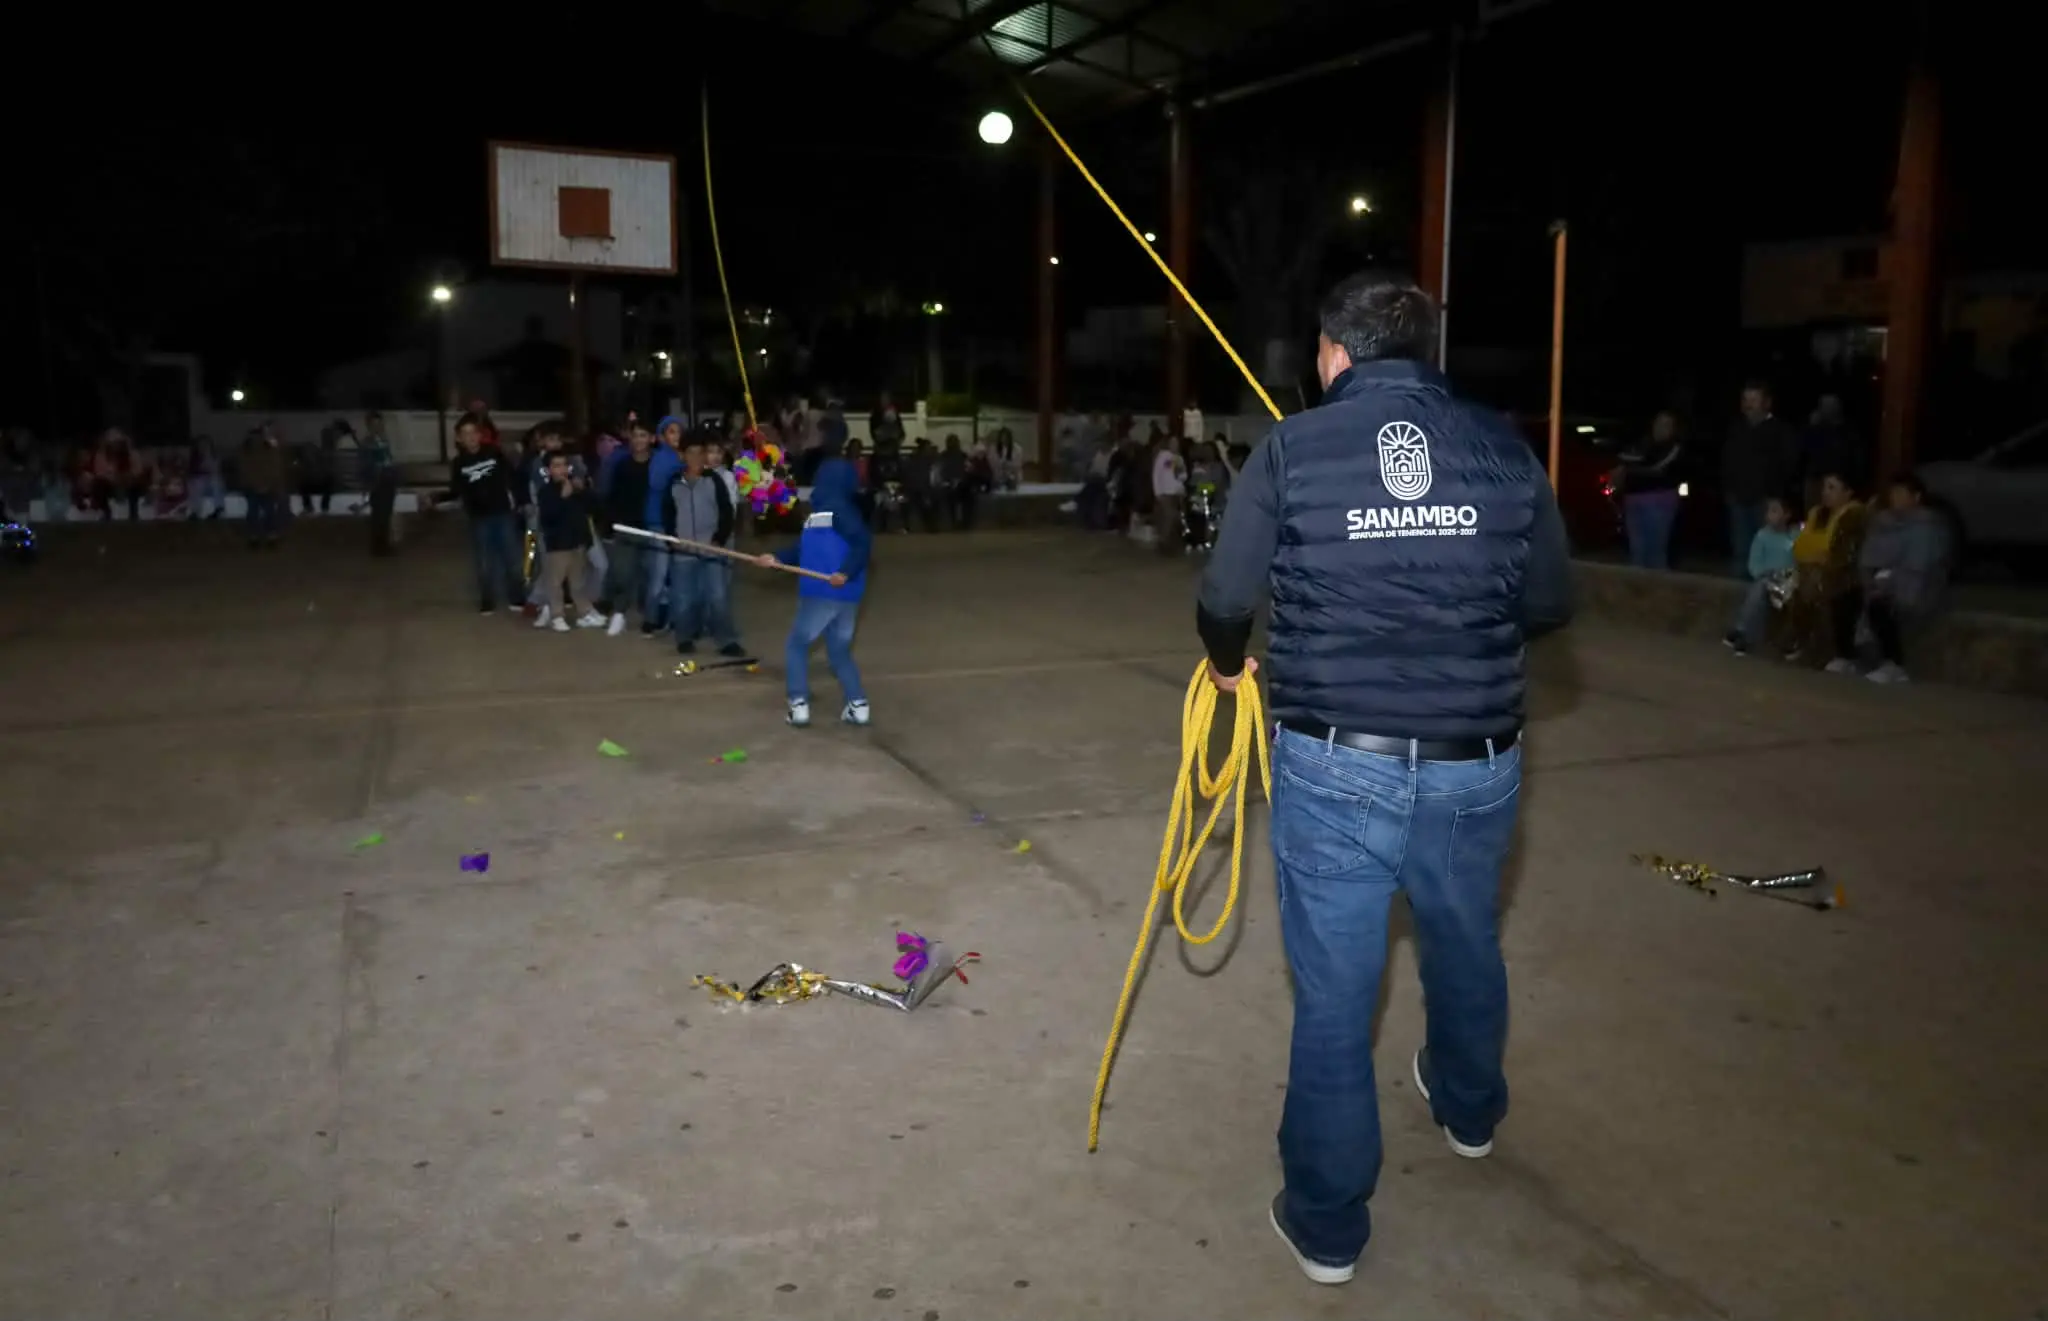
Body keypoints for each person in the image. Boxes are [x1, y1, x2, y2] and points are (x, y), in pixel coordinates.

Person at [1194, 271, 1572, 1287]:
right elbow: (1548, 600)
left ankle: (1325, 1223)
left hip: (1333, 763)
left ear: (1330, 352)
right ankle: (1467, 1109)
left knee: (1333, 990)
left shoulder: (1290, 449)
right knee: (1462, 936)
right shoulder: (1499, 443)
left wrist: (1229, 664)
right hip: (1472, 759)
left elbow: (1223, 596)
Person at [758, 446, 871, 728]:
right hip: (846, 598)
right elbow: (802, 549)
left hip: (823, 593)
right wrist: (776, 559)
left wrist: (845, 572)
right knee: (838, 651)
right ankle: (858, 705)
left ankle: (798, 704)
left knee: (796, 645)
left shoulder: (836, 511)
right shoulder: (820, 514)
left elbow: (862, 543)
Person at [1849, 473, 1949, 683]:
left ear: (1916, 497)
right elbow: (1869, 557)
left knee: (1882, 605)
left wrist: (1889, 581)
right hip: (1881, 581)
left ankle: (1894, 664)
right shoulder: (1883, 522)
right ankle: (1855, 659)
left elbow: (1919, 565)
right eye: (1894, 493)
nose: (1896, 498)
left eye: (1902, 493)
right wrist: (1873, 578)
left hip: (1916, 586)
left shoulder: (1927, 527)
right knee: (1852, 596)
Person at [664, 437, 744, 657]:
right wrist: (671, 539)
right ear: (682, 456)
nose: (696, 458)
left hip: (711, 549)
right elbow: (668, 515)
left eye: (701, 453)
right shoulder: (673, 483)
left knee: (718, 596)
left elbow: (727, 513)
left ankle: (727, 641)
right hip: (683, 551)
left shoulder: (714, 481)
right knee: (683, 599)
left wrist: (719, 539)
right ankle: (685, 638)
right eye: (691, 453)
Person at [1782, 471, 1869, 666]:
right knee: (1781, 583)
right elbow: (1800, 548)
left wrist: (1817, 557)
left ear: (1848, 493)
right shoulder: (1816, 513)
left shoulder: (1854, 515)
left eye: (1832, 488)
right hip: (1808, 569)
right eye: (1824, 487)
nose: (1825, 493)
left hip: (1842, 576)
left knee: (1813, 588)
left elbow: (1838, 554)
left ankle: (1815, 649)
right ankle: (1798, 643)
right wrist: (1815, 556)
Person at [443, 412, 525, 614]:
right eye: (465, 434)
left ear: (480, 435)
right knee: (484, 561)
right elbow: (455, 490)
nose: (470, 437)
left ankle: (516, 596)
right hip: (479, 517)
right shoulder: (458, 463)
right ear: (458, 438)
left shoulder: (494, 453)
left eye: (473, 433)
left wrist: (520, 500)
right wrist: (436, 499)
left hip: (503, 513)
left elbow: (512, 476)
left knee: (512, 557)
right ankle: (487, 599)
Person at [1720, 383, 1799, 575]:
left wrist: (1775, 497)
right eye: (1745, 400)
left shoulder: (1781, 431)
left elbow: (1789, 465)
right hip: (1738, 499)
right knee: (1740, 551)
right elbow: (1726, 460)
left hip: (1765, 501)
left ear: (1767, 403)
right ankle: (1739, 595)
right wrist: (1729, 490)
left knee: (1767, 550)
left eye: (1754, 400)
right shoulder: (1736, 428)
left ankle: (1763, 596)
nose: (1748, 405)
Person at [597, 420, 660, 636]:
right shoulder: (622, 465)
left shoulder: (658, 464)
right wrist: (610, 523)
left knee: (650, 576)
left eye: (644, 435)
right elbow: (613, 496)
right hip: (626, 527)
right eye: (635, 436)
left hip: (653, 526)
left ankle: (650, 617)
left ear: (652, 439)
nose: (639, 440)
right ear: (629, 439)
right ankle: (619, 613)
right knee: (622, 572)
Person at [534, 451, 603, 632]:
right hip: (558, 545)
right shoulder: (546, 492)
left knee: (578, 581)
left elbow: (592, 507)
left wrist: (584, 491)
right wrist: (562, 498)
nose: (562, 469)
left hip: (577, 542)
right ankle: (557, 615)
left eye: (564, 465)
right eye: (556, 466)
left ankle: (584, 612)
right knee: (555, 583)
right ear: (548, 470)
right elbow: (548, 518)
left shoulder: (575, 487)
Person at [1723, 495, 1798, 655]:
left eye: (1775, 511)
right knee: (1759, 593)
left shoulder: (1795, 536)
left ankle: (1741, 631)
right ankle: (1744, 634)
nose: (1769, 515)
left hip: (1788, 581)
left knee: (1768, 593)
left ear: (1787, 514)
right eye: (1769, 511)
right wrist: (1765, 574)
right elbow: (1754, 564)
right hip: (1767, 580)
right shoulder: (1762, 536)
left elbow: (1798, 562)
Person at [1612, 411, 1686, 570]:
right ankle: (1637, 590)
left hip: (1660, 503)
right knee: (1636, 552)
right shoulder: (1642, 443)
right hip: (1633, 502)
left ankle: (1659, 591)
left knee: (1655, 553)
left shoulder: (1674, 448)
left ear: (1673, 429)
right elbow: (1623, 458)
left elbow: (1656, 467)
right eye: (1658, 423)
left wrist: (1629, 468)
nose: (1661, 428)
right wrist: (1631, 465)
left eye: (1666, 425)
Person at [239, 426, 288, 548]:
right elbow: (245, 472)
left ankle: (271, 535)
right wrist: (257, 485)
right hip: (252, 487)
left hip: (268, 486)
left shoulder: (271, 451)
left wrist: (267, 485)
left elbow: (275, 469)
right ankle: (254, 536)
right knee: (253, 510)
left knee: (269, 510)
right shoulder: (244, 453)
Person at [359, 412, 398, 555]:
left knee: (386, 513)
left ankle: (384, 544)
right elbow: (364, 466)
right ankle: (377, 546)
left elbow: (389, 459)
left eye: (380, 424)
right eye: (375, 424)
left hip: (388, 480)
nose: (378, 427)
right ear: (369, 426)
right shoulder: (366, 443)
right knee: (378, 514)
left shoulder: (384, 440)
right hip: (377, 481)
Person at [1151, 434, 1186, 554]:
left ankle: (1171, 544)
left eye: (1176, 443)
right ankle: (1163, 543)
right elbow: (1157, 475)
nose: (1174, 445)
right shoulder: (1163, 456)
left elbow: (1183, 476)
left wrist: (1180, 473)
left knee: (1174, 518)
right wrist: (1157, 492)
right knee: (1168, 517)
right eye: (1172, 442)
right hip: (1165, 492)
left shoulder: (1179, 458)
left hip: (1177, 492)